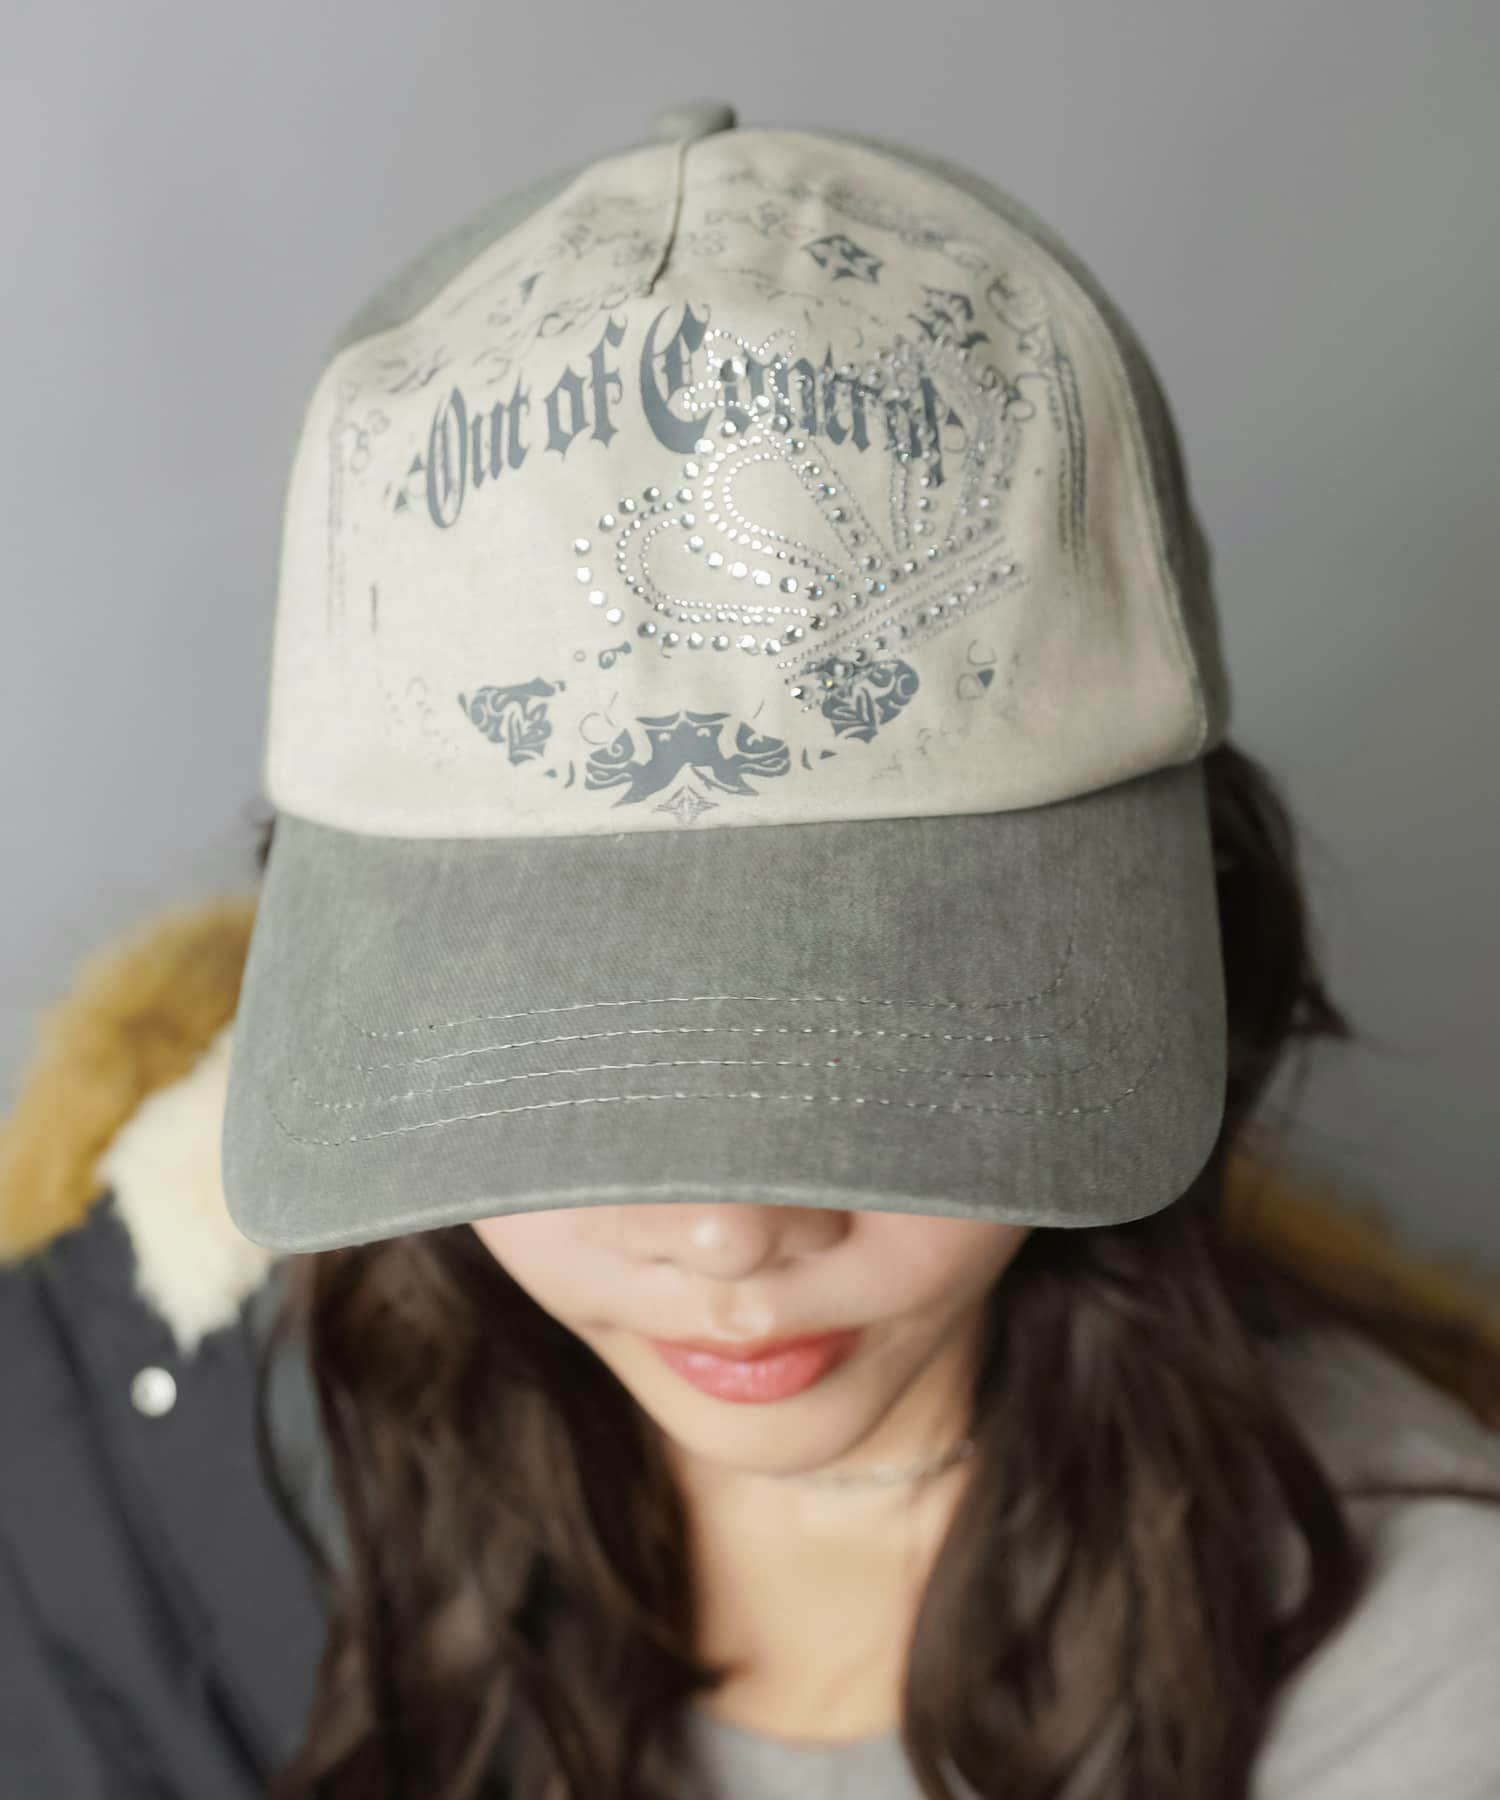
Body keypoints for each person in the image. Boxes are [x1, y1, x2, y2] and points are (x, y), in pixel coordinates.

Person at [4, 98, 1500, 1800]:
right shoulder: (166, 1481)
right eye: (559, 1049)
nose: (727, 1236)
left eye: (889, 1032)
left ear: (1185, 943)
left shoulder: (1409, 1677)